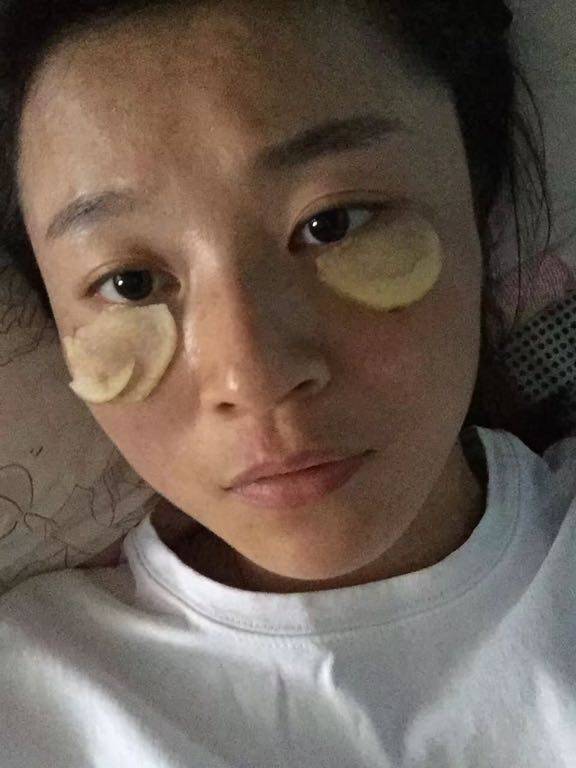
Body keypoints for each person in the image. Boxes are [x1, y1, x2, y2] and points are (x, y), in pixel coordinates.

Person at [0, 0, 573, 765]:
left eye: (333, 223)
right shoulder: (30, 706)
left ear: (475, 200)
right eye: (130, 283)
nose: (254, 377)